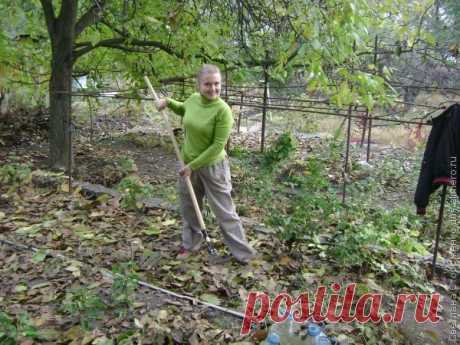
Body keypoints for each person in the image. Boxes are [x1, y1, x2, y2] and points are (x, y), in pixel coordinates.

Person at [155, 64, 256, 264]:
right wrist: (167, 102)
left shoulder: (223, 111)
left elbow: (217, 146)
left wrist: (192, 166)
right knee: (189, 207)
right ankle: (191, 244)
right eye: (208, 84)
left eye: (217, 84)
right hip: (187, 164)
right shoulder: (193, 100)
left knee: (224, 211)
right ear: (199, 85)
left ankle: (243, 254)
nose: (213, 89)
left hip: (213, 167)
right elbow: (184, 109)